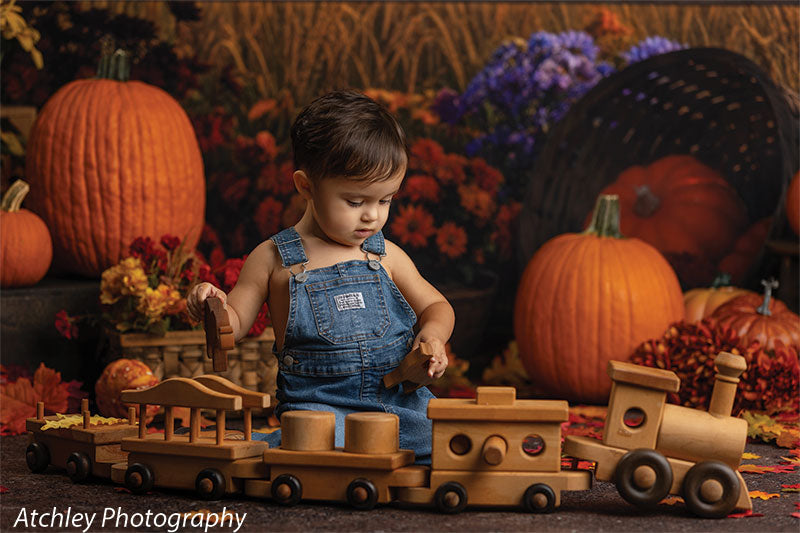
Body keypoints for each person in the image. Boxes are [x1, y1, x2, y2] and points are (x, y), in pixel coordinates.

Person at [187, 90, 454, 463]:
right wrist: (213, 304)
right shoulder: (272, 258)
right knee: (314, 447)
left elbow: (436, 305)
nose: (372, 217)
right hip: (320, 407)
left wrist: (433, 336)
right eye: (355, 202)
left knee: (450, 441)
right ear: (306, 186)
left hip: (397, 401)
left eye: (386, 200)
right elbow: (236, 320)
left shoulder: (387, 255)